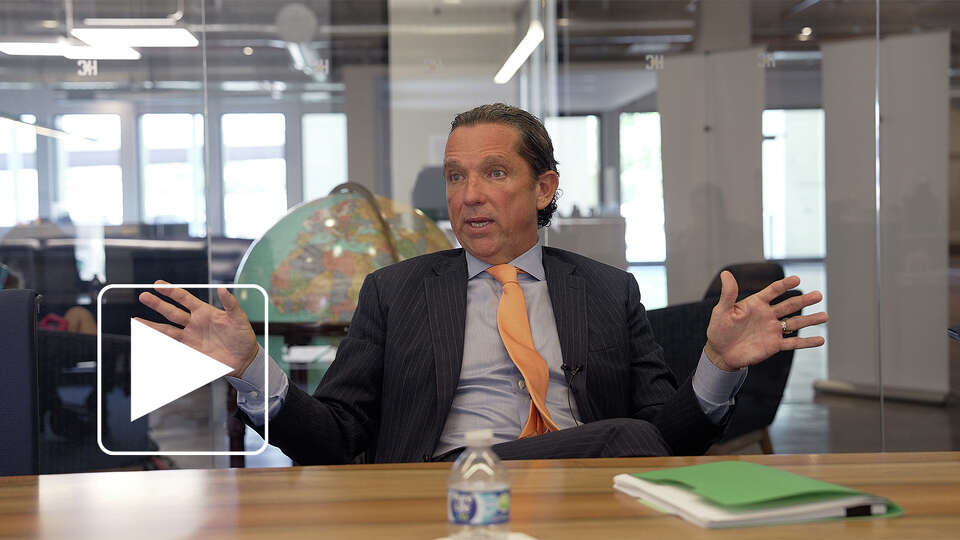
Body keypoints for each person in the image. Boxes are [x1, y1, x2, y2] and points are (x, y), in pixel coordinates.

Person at [137, 103, 828, 464]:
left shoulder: (608, 290)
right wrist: (252, 369)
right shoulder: (396, 291)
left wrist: (715, 366)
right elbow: (336, 438)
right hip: (447, 487)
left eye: (494, 174)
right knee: (625, 440)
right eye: (456, 176)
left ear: (544, 186)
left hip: (584, 493)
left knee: (630, 441)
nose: (469, 196)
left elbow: (666, 439)